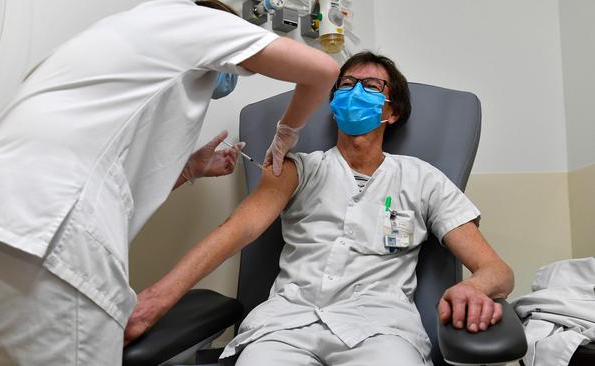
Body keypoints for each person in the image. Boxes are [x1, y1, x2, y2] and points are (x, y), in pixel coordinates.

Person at [0, 0, 339, 365]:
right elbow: (322, 70)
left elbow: (105, 174)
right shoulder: (200, 20)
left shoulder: (108, 43)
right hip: (47, 233)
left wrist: (189, 169)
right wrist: (287, 131)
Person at [127, 51, 514, 365]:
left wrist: (474, 288)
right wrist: (156, 300)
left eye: (370, 86)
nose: (354, 91)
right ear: (333, 105)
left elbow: (496, 270)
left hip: (380, 329)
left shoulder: (423, 179)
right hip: (286, 325)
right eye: (346, 85)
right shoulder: (298, 168)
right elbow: (237, 230)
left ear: (391, 111)